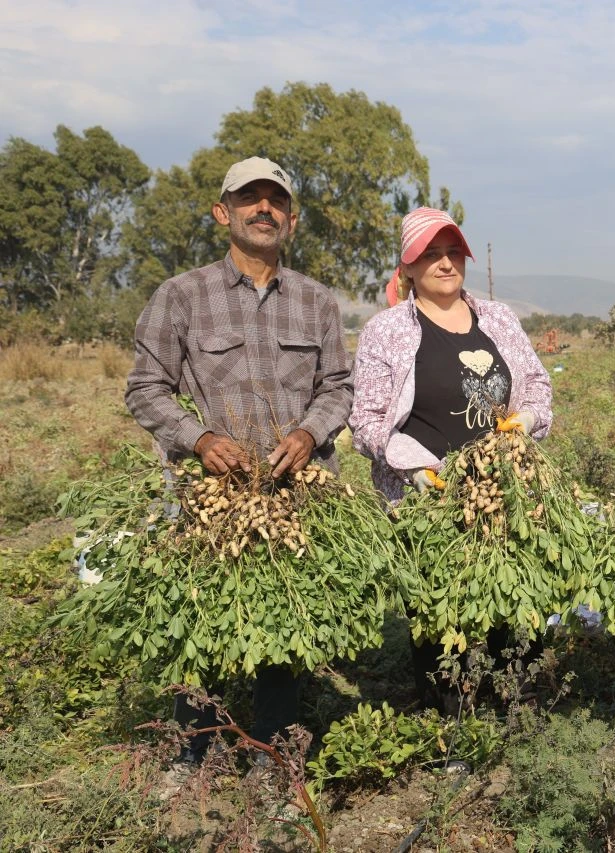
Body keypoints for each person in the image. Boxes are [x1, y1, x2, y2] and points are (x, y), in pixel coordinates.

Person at [125, 156, 353, 774]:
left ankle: (272, 756)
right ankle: (190, 756)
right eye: (249, 198)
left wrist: (310, 433)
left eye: (275, 201)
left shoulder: (317, 300)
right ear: (222, 213)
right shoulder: (180, 296)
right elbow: (145, 389)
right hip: (209, 500)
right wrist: (199, 441)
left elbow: (339, 386)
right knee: (196, 622)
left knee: (281, 626)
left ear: (292, 219)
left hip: (293, 497)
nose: (264, 209)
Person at [348, 207, 553, 709]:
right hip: (431, 502)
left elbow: (538, 386)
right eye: (429, 255)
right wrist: (414, 468)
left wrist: (526, 420)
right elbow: (367, 418)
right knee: (442, 618)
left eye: (452, 253)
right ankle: (452, 725)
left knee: (516, 606)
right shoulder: (387, 331)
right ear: (409, 268)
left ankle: (517, 713)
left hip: (505, 490)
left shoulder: (499, 318)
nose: (445, 264)